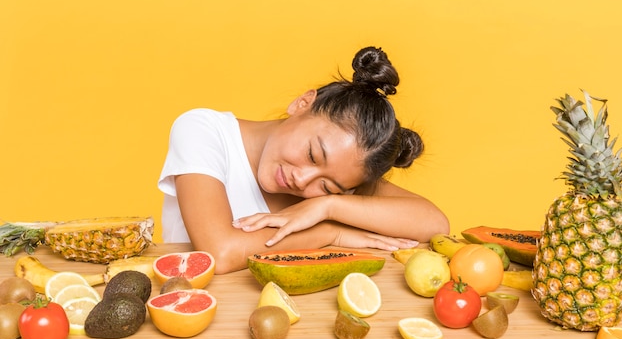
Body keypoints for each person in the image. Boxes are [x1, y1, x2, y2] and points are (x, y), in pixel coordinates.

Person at [158, 46, 449, 274]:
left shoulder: (343, 179)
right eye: (312, 154)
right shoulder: (204, 130)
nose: (304, 179)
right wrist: (330, 232)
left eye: (327, 186)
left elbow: (434, 223)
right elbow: (219, 253)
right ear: (302, 104)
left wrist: (329, 204)